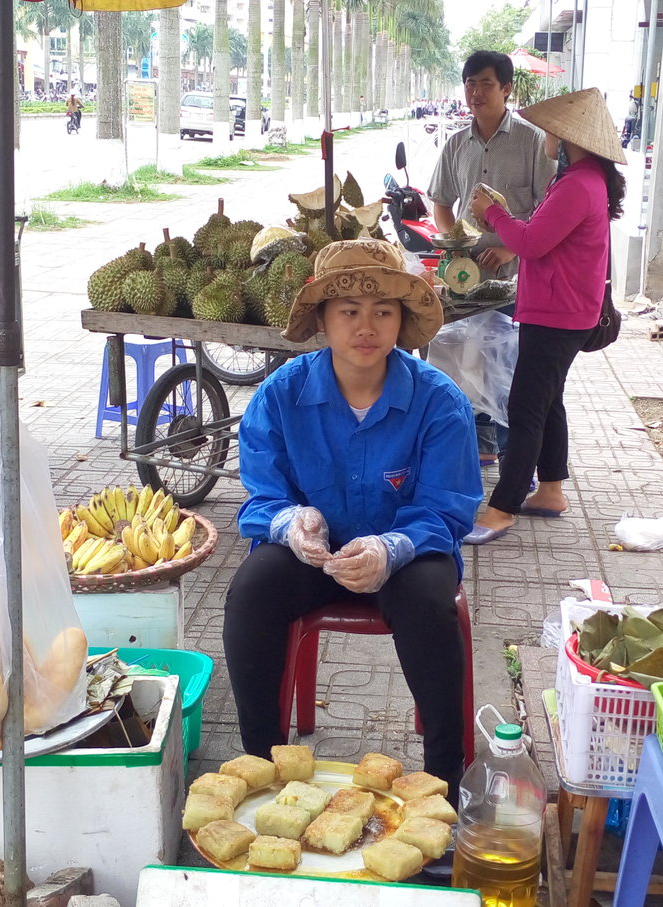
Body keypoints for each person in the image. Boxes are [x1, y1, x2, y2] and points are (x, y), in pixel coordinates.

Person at [223, 239, 483, 803]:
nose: (366, 327)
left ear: (401, 321)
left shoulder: (439, 402)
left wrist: (391, 547)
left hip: (407, 555)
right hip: (315, 556)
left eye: (383, 312)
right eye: (349, 312)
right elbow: (262, 494)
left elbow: (448, 507)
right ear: (322, 319)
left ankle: (443, 778)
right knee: (252, 588)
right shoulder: (281, 394)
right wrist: (292, 521)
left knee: (428, 600)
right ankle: (263, 768)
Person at [463, 88, 627, 545]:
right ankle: (551, 490)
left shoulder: (578, 183)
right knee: (548, 400)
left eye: (550, 131)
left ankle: (502, 507)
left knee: (526, 406)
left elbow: (531, 243)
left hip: (559, 313)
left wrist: (491, 212)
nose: (545, 138)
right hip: (565, 308)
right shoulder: (583, 178)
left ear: (567, 135)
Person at [427, 50, 556, 469]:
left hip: (518, 276)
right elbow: (442, 203)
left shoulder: (532, 141)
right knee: (465, 360)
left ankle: (514, 453)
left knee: (511, 364)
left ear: (506, 88)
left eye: (484, 83)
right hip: (466, 275)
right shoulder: (455, 142)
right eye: (469, 83)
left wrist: (510, 246)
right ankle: (479, 445)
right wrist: (454, 241)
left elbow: (548, 207)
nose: (475, 92)